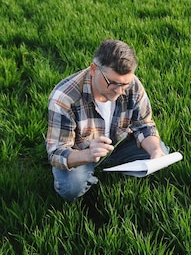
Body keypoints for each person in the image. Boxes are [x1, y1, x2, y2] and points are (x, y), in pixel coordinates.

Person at [46, 39, 168, 201]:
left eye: (125, 84)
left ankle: (111, 165)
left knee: (161, 152)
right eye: (113, 83)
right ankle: (94, 171)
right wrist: (88, 154)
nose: (119, 91)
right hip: (81, 151)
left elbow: (144, 126)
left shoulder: (132, 85)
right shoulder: (64, 97)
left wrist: (154, 151)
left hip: (119, 143)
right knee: (71, 189)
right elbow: (56, 152)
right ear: (94, 69)